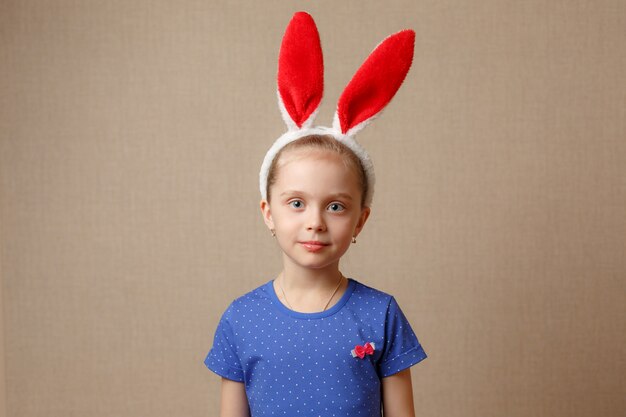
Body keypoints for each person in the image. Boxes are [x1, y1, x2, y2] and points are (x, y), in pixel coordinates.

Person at [204, 12, 427, 417]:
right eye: (296, 203)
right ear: (268, 213)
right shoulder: (241, 318)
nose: (315, 222)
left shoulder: (381, 313)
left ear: (360, 219)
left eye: (336, 206)